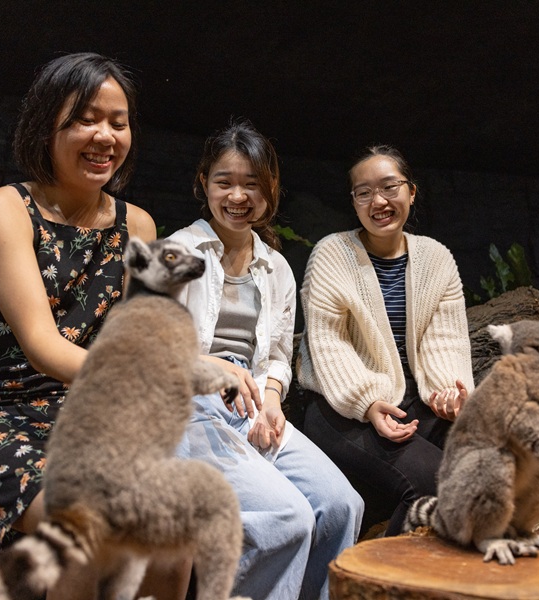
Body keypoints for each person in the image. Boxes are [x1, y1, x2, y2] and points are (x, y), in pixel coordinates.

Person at [0, 52, 192, 596]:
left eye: (118, 122)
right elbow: (43, 346)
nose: (105, 136)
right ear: (48, 124)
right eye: (85, 119)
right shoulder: (6, 208)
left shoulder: (139, 224)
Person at [167, 120, 363, 600]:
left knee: (342, 505)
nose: (238, 196)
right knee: (286, 519)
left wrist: (273, 401)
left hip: (252, 405)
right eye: (225, 182)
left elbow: (277, 356)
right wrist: (215, 370)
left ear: (271, 190)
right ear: (203, 184)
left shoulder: (276, 267)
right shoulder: (176, 251)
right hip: (186, 408)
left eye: (252, 184)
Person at [296, 145, 475, 538]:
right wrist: (368, 402)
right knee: (436, 484)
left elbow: (445, 339)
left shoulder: (436, 258)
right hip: (341, 409)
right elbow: (329, 346)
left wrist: (447, 394)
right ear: (354, 202)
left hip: (412, 403)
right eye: (364, 192)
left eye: (389, 187)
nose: (378, 201)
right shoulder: (332, 253)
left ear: (411, 191)